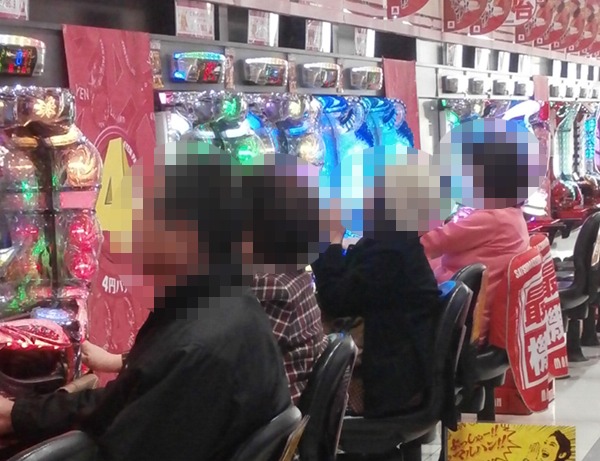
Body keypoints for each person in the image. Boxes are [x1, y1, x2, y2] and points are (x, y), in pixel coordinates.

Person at [0, 146, 326, 461]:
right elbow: (128, 397)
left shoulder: (196, 347)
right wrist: (21, 413)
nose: (128, 239)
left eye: (143, 222)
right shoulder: (224, 303)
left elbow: (128, 439)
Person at [81, 269, 329, 408]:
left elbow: (195, 359)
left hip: (251, 433)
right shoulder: (296, 275)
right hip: (263, 420)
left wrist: (114, 362)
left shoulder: (270, 286)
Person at [311, 232, 442, 419]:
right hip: (402, 368)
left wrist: (330, 243)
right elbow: (346, 284)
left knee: (295, 380)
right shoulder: (394, 242)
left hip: (392, 384)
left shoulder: (389, 252)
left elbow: (334, 300)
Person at [421, 206, 529, 317]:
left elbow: (425, 242)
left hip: (459, 309)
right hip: (474, 303)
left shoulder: (491, 218)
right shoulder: (512, 214)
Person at [251, 270, 328, 405]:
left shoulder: (269, 284)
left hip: (277, 407)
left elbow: (245, 363)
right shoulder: (295, 274)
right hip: (297, 395)